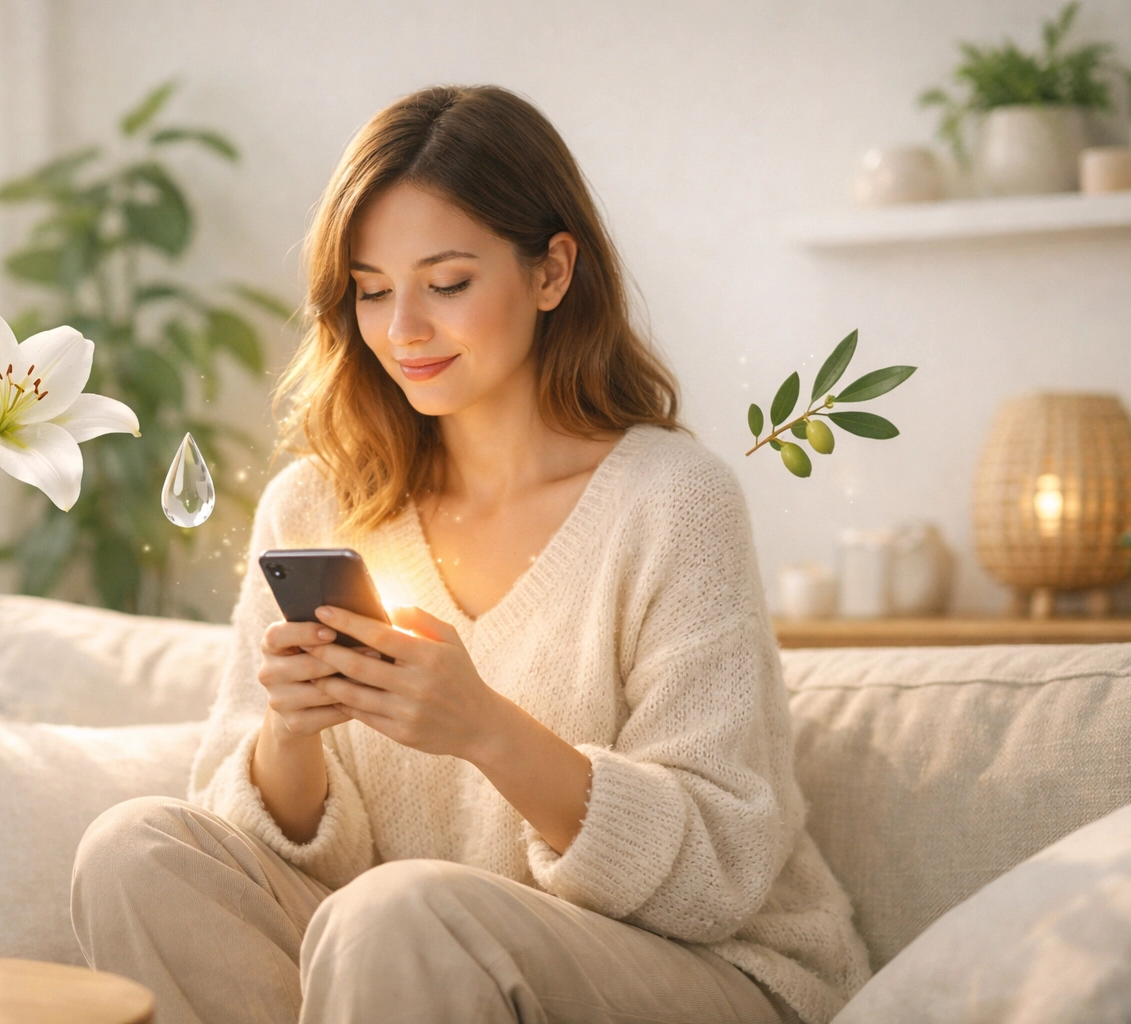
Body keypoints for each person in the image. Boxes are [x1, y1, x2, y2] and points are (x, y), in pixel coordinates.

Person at [71, 84, 870, 1024]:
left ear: (551, 271)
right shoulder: (315, 506)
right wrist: (290, 732)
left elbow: (717, 873)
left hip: (697, 971)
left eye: (446, 284)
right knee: (135, 851)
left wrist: (485, 728)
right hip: (395, 964)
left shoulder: (671, 500)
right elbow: (260, 846)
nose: (402, 329)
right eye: (372, 291)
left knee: (399, 910)